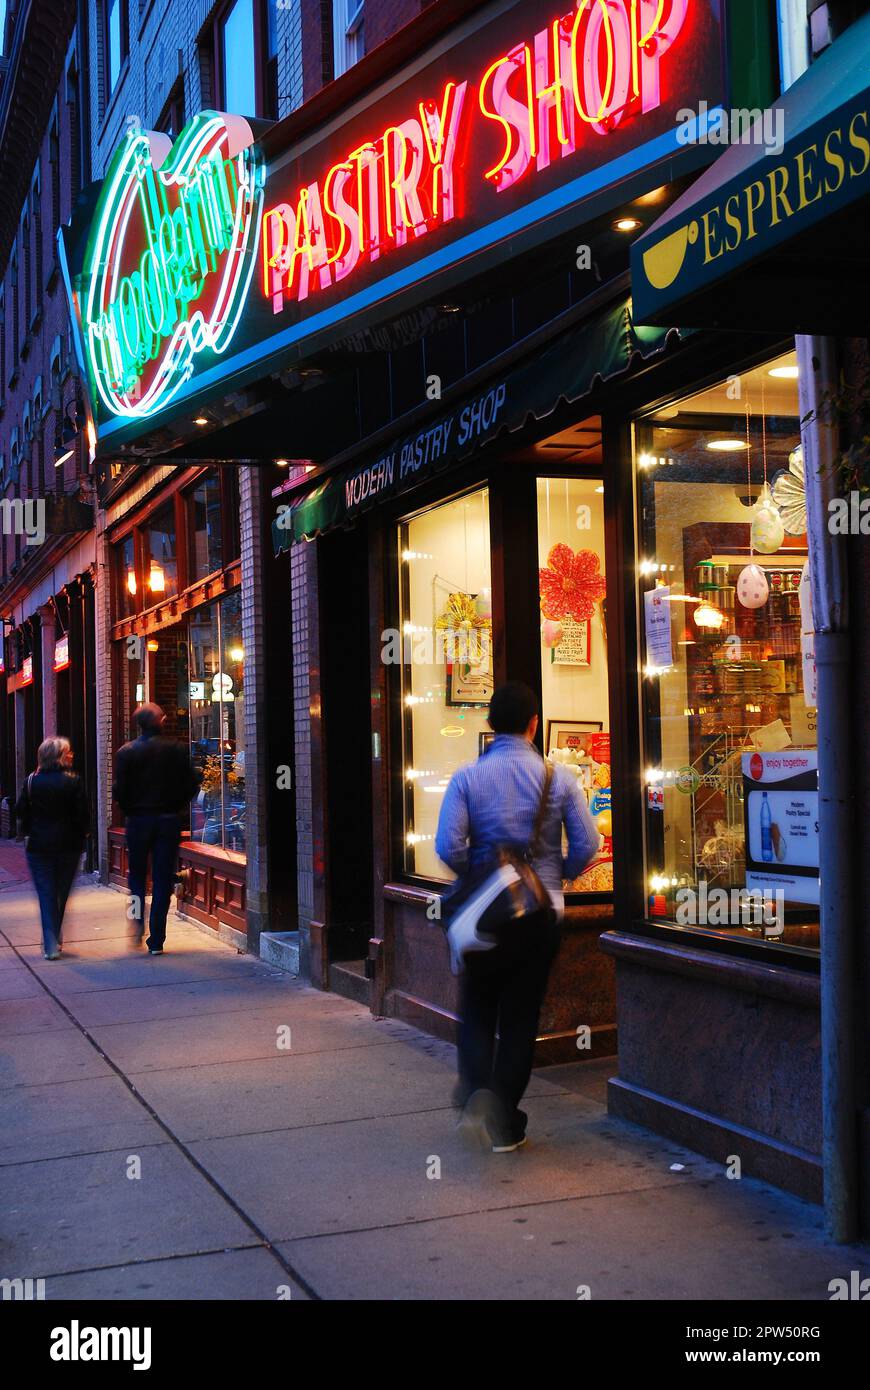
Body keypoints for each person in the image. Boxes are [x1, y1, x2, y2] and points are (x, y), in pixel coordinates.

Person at [435, 681, 600, 1153]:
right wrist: (557, 876)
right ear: (533, 724)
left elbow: (448, 847)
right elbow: (588, 844)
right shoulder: (559, 778)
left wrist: (485, 875)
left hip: (483, 917)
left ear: (490, 724)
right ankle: (505, 1122)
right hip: (540, 915)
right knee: (522, 1016)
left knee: (479, 1007)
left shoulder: (467, 778)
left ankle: (474, 1096)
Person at [113, 703, 200, 955]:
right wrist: (178, 807)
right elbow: (192, 784)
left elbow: (119, 791)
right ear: (160, 721)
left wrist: (131, 809)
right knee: (163, 879)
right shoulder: (176, 750)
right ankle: (157, 939)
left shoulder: (126, 753)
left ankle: (136, 924)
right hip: (167, 820)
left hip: (138, 822)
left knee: (136, 878)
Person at [15, 737, 89, 960]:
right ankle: (52, 939)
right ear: (57, 756)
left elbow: (20, 811)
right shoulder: (73, 781)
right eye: (68, 752)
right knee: (61, 893)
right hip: (68, 846)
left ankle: (51, 941)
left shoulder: (31, 782)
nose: (72, 755)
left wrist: (31, 828)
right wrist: (82, 834)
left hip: (38, 846)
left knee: (46, 893)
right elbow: (83, 815)